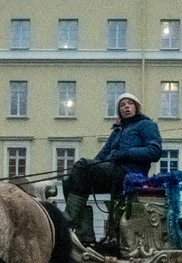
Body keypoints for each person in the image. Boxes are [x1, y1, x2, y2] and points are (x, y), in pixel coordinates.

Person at [63, 92, 162, 235]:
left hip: (129, 174)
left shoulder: (146, 125)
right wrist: (84, 169)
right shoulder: (117, 131)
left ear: (136, 108)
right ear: (119, 111)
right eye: (122, 105)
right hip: (112, 171)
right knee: (70, 179)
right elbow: (102, 156)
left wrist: (126, 153)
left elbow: (155, 151)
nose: (126, 107)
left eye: (130, 103)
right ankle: (84, 232)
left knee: (82, 167)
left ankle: (71, 218)